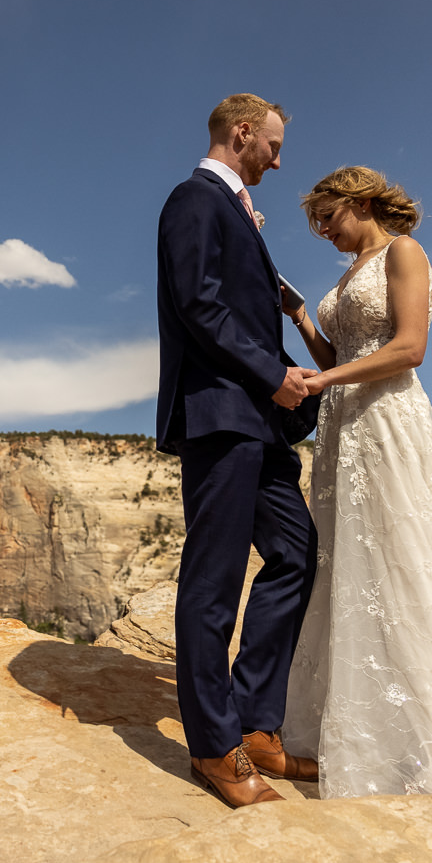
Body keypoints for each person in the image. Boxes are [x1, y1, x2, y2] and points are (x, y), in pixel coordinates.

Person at [279, 166, 432, 807]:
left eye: (327, 217)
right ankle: (352, 734)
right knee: (346, 565)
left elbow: (410, 348)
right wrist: (304, 319)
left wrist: (321, 385)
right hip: (342, 432)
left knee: (401, 564)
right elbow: (341, 355)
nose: (323, 231)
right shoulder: (347, 272)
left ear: (360, 202)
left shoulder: (405, 252)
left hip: (387, 420)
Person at [155, 93, 323, 808]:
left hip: (260, 421)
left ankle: (257, 726)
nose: (280, 160)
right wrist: (272, 373)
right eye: (274, 146)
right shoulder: (192, 198)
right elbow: (199, 303)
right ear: (243, 133)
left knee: (295, 549)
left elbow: (240, 299)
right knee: (214, 577)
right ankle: (212, 746)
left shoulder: (236, 209)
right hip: (223, 414)